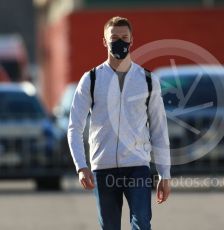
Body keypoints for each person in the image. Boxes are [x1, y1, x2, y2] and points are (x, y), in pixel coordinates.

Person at [67, 16, 171, 230]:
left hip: (138, 166)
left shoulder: (148, 80)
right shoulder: (91, 79)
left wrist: (164, 173)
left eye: (124, 37)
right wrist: (81, 166)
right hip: (103, 167)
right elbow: (74, 127)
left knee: (142, 222)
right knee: (109, 227)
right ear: (104, 41)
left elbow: (159, 128)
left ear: (132, 40)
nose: (120, 42)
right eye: (114, 38)